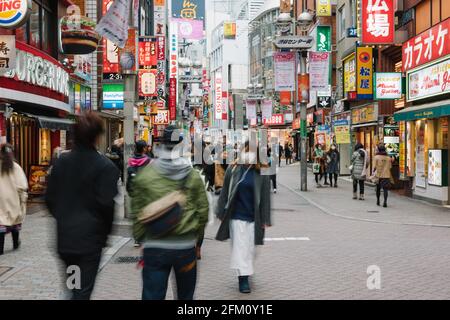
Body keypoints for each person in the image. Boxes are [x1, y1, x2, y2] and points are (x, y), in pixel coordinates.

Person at [45, 112, 120, 300]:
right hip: (89, 242)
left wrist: (64, 217)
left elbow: (50, 199)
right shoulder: (106, 167)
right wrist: (104, 233)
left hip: (66, 239)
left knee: (74, 287)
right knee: (81, 291)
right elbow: (107, 207)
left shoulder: (61, 163)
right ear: (97, 136)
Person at [130, 125, 209, 300]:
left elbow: (136, 210)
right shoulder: (193, 175)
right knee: (185, 297)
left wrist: (141, 238)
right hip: (185, 247)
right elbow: (203, 211)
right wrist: (197, 240)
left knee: (152, 295)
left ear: (161, 144)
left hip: (155, 246)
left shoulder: (146, 174)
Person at [216, 141, 272, 294]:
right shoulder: (233, 169)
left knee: (251, 250)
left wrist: (266, 219)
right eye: (246, 151)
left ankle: (246, 269)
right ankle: (243, 279)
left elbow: (266, 197)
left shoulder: (263, 172)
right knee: (240, 248)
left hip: (254, 217)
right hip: (237, 216)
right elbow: (225, 191)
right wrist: (221, 212)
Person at [0, 144, 28, 256]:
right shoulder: (16, 167)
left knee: (1, 222)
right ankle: (16, 243)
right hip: (13, 200)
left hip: (1, 201)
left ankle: (0, 249)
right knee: (15, 222)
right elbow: (22, 186)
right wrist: (23, 199)